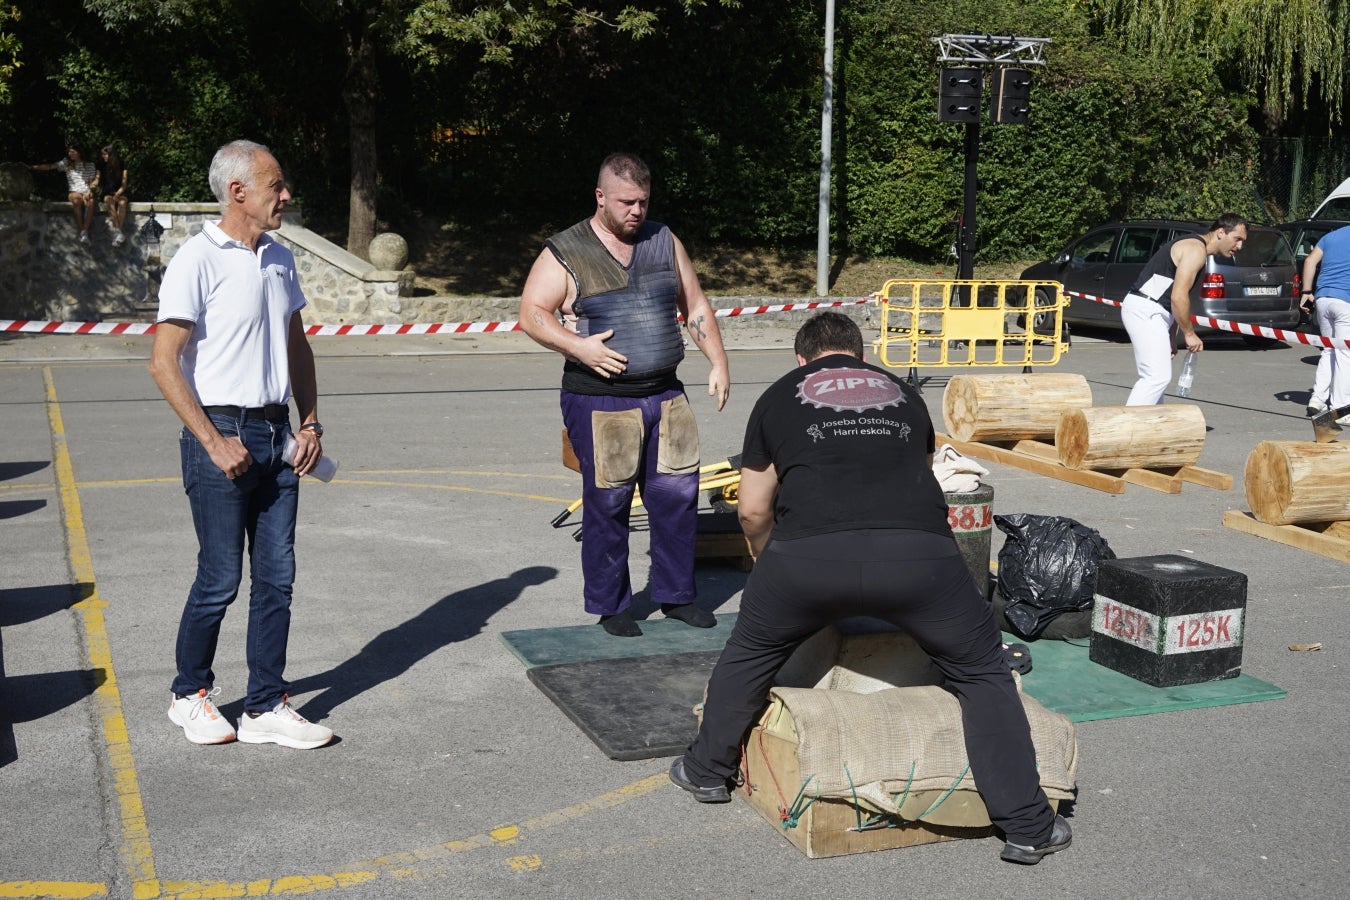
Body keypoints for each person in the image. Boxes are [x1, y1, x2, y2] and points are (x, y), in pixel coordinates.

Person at [668, 312, 1071, 866]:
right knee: (982, 673)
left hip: (808, 556)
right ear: (860, 355)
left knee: (751, 652)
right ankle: (1027, 826)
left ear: (802, 360)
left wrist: (768, 567)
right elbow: (923, 478)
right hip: (919, 559)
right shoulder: (905, 395)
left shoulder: (780, 394)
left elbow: (754, 509)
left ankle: (705, 771)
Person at [149, 139, 333, 750]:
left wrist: (310, 423)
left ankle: (263, 706)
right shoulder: (196, 259)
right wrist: (212, 439)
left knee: (277, 577)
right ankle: (189, 694)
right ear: (238, 192)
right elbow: (164, 362)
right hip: (221, 433)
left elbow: (297, 346)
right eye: (276, 185)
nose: (286, 195)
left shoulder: (280, 257)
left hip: (279, 432)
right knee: (221, 578)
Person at [519, 152, 730, 637]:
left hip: (666, 395)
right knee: (610, 502)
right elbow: (532, 312)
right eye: (626, 202)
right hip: (600, 399)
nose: (636, 211)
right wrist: (579, 347)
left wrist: (717, 362)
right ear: (601, 197)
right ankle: (612, 605)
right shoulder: (566, 249)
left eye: (643, 201)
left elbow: (694, 303)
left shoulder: (664, 239)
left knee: (678, 497)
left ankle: (677, 597)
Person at [1122, 214, 1247, 405]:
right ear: (1221, 232)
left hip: (1153, 310)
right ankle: (1128, 428)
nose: (1239, 246)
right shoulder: (1195, 249)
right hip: (1146, 309)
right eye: (1237, 239)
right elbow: (1178, 297)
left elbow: (1169, 296)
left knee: (1157, 381)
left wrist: (1171, 337)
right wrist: (1189, 333)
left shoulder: (1196, 249)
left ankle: (1151, 428)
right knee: (1156, 377)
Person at [1300, 224, 1350, 424]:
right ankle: (1341, 409)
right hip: (1345, 301)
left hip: (1323, 299)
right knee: (1345, 354)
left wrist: (1306, 291)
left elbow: (1310, 260)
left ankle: (1317, 398)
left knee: (1329, 350)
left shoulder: (1332, 235)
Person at [27, 142, 98, 243]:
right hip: (74, 192)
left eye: (72, 151)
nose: (70, 153)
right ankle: (83, 231)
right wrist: (32, 167)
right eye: (69, 151)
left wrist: (89, 191)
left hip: (86, 191)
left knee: (91, 202)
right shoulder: (67, 163)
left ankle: (84, 231)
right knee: (77, 201)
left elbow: (92, 183)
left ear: (79, 152)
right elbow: (50, 166)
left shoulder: (90, 165)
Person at [98, 144, 130, 246]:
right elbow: (97, 179)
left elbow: (124, 184)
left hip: (120, 191)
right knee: (109, 201)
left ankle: (117, 233)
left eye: (105, 154)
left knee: (122, 203)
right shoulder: (101, 165)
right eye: (102, 154)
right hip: (107, 192)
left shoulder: (122, 164)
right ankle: (118, 231)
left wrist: (118, 193)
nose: (103, 156)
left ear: (111, 155)